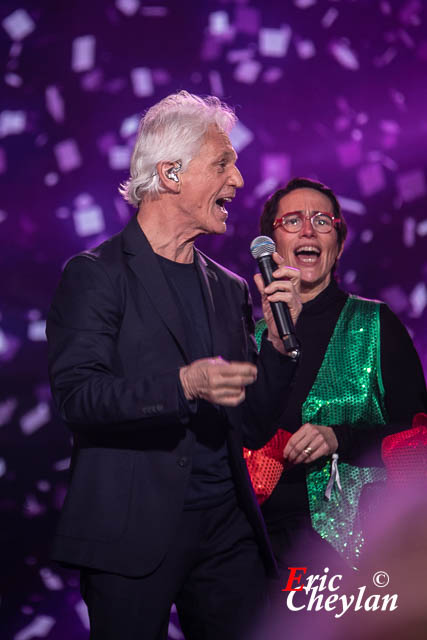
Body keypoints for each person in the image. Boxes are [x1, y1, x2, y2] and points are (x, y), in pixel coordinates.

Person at [46, 91, 302, 640]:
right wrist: (184, 384)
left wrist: (278, 349)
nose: (238, 180)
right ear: (169, 173)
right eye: (222, 163)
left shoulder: (229, 289)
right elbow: (78, 399)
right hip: (132, 532)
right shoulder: (95, 275)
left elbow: (253, 423)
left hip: (228, 529)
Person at [248, 177, 427, 576]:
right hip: (264, 552)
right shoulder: (251, 338)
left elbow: (420, 438)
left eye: (322, 221)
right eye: (292, 221)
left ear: (338, 244)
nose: (308, 229)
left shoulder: (376, 323)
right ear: (270, 246)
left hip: (357, 551)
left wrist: (339, 437)